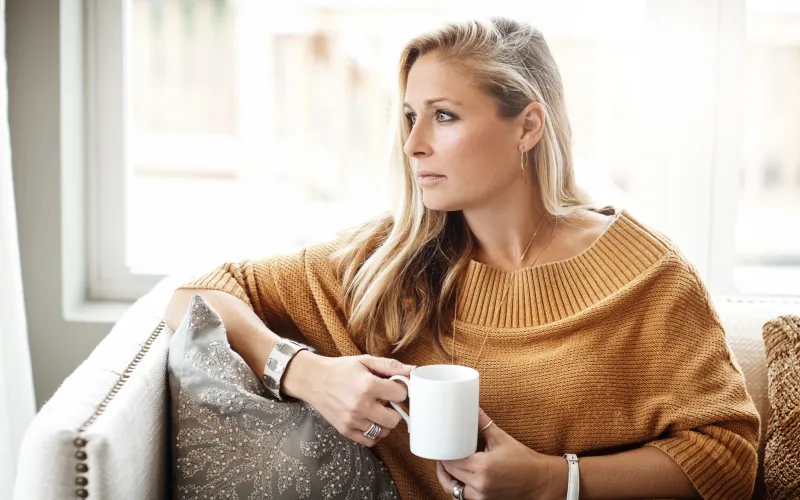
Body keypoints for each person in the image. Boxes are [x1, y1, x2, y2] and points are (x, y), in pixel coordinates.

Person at [164, 17, 760, 500]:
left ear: (527, 126)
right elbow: (194, 297)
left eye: (443, 116)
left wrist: (558, 481)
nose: (413, 142)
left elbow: (729, 456)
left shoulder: (648, 278)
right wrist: (305, 373)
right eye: (409, 116)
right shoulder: (382, 265)